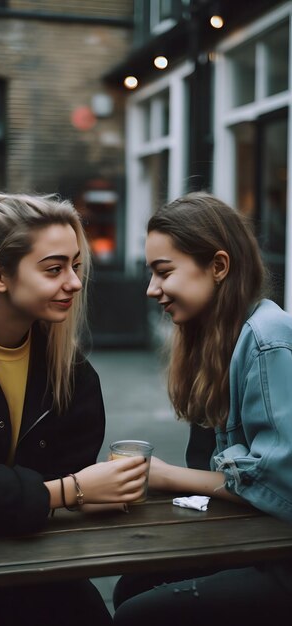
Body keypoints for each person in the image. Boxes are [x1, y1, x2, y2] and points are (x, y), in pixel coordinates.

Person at [0, 192, 147, 626]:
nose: (73, 282)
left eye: (75, 265)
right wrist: (74, 490)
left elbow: (69, 475)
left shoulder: (71, 374)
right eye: (54, 269)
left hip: (36, 566)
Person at [113, 191, 292, 625]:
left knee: (139, 614)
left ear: (218, 266)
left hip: (281, 559)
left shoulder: (268, 339)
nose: (151, 288)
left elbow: (279, 488)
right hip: (250, 541)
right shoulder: (213, 338)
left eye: (163, 272)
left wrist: (161, 474)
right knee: (129, 586)